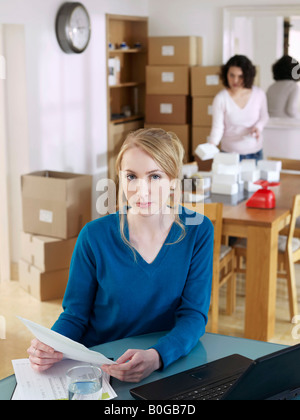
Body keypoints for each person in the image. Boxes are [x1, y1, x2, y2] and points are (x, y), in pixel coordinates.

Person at [27, 128, 214, 383]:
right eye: (131, 177)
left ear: (173, 179)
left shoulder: (198, 231)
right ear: (120, 178)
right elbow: (75, 315)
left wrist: (157, 356)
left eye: (155, 176)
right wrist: (50, 345)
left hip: (165, 365)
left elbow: (194, 314)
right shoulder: (94, 236)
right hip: (101, 367)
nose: (141, 190)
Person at [208, 55, 269, 162]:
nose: (235, 80)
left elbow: (264, 116)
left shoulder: (259, 94)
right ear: (226, 74)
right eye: (232, 75)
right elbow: (218, 127)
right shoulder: (221, 98)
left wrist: (258, 127)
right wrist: (211, 145)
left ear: (247, 76)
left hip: (254, 154)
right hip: (229, 154)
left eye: (240, 76)